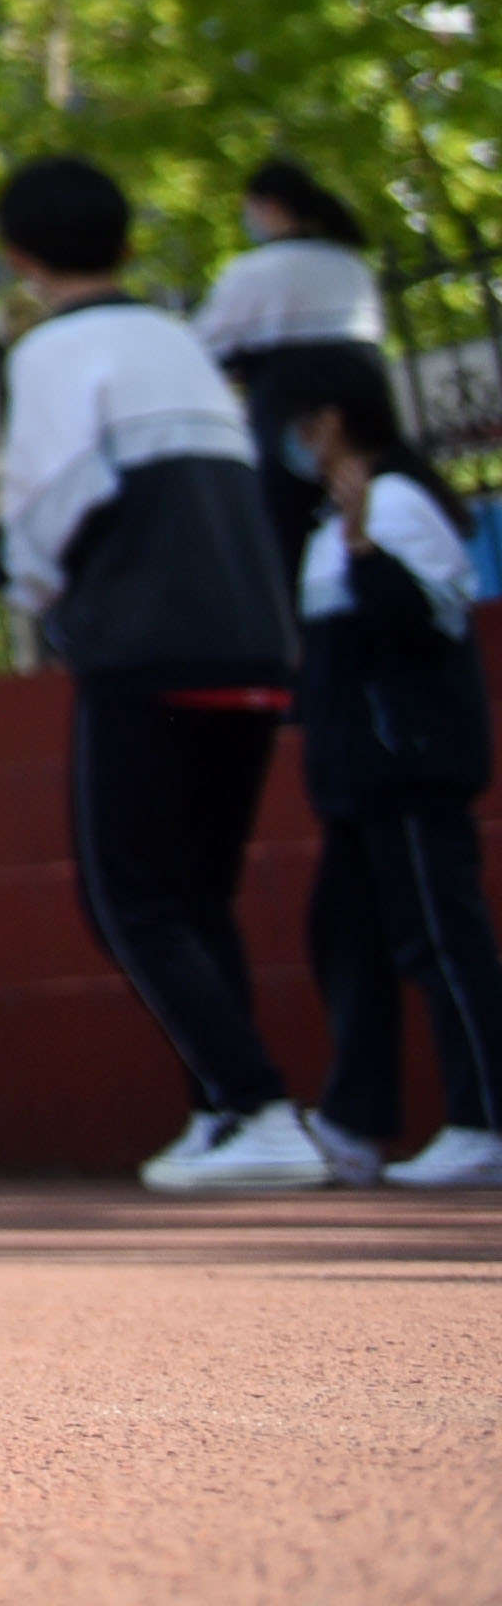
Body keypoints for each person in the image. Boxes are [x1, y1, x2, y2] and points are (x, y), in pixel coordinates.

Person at [0, 156, 323, 1190]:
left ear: (15, 252)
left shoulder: (53, 348)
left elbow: (55, 504)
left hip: (146, 645)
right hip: (250, 637)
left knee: (131, 896)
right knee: (196, 893)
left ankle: (257, 1100)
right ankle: (225, 1110)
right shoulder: (176, 338)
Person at [281, 369, 502, 1191]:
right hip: (360, 779)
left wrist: (366, 543)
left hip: (405, 767)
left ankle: (485, 1119)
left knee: (441, 940)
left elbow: (421, 623)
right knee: (351, 939)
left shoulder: (396, 505)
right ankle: (356, 1122)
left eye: (303, 422)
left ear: (333, 420)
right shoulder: (342, 516)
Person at [204, 158, 402, 556]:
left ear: (268, 206)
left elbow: (206, 344)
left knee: (291, 536)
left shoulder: (253, 271)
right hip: (366, 409)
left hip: (287, 410)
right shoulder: (349, 264)